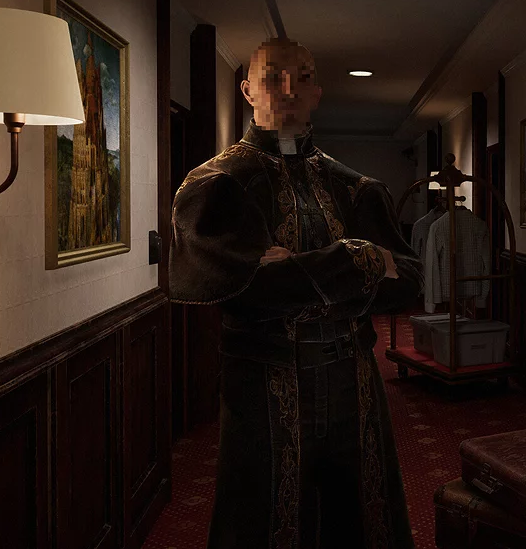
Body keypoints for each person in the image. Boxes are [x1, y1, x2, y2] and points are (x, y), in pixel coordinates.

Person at [168, 37, 421, 549]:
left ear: (317, 92)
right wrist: (358, 260)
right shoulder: (217, 184)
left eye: (302, 77)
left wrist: (295, 271)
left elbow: (410, 283)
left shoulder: (354, 188)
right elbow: (238, 291)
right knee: (264, 520)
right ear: (248, 90)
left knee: (362, 518)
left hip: (354, 377)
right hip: (263, 383)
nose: (288, 89)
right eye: (273, 77)